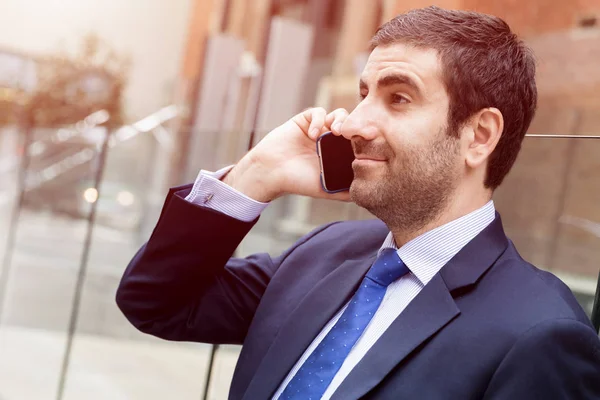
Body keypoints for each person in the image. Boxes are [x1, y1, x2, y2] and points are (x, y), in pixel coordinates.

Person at [116, 6, 600, 400]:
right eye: (364, 93)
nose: (350, 123)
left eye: (399, 99)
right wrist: (255, 175)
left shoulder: (540, 335)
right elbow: (155, 302)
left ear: (479, 136)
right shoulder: (326, 251)